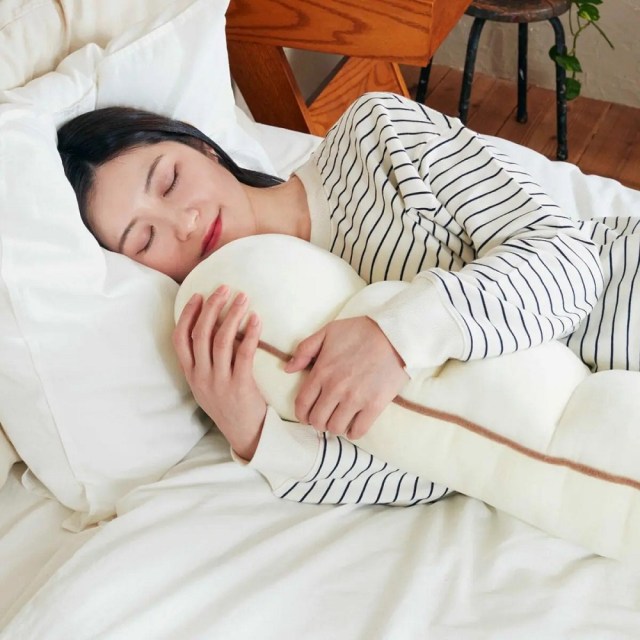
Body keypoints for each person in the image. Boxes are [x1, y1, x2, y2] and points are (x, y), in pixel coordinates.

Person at [58, 92, 635, 507]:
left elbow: (568, 259)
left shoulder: (375, 135)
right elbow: (437, 469)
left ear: (204, 148)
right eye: (145, 239)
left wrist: (396, 337)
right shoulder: (253, 339)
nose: (182, 222)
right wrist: (253, 432)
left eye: (169, 180)